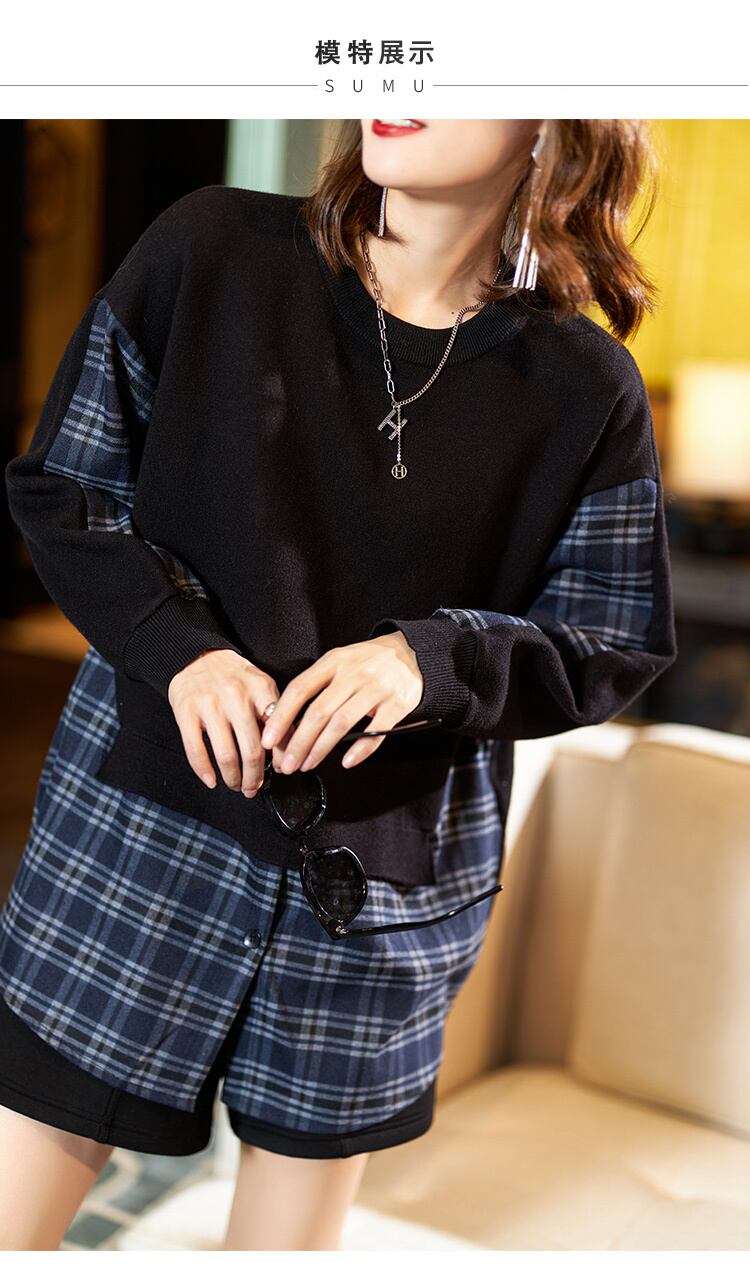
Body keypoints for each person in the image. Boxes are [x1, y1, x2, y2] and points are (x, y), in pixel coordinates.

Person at [0, 118, 676, 1250]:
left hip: (376, 893)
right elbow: (65, 490)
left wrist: (429, 659)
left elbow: (611, 635)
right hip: (140, 839)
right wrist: (182, 649)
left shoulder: (583, 385)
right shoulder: (214, 249)